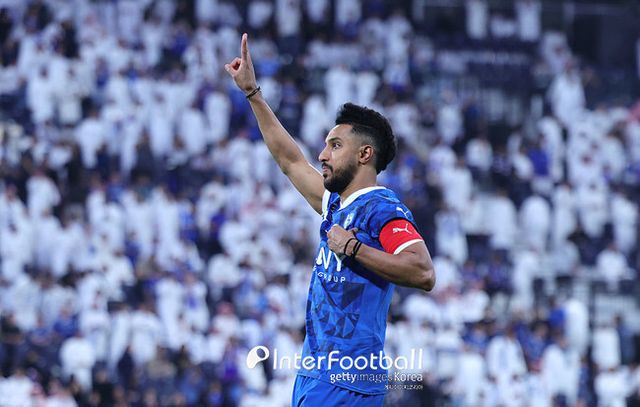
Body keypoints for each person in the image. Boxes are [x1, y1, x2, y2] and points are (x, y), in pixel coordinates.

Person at [225, 34, 436, 406]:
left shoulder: (381, 208)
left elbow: (422, 272)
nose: (323, 155)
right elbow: (290, 161)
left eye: (335, 146)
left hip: (347, 381)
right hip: (316, 374)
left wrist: (353, 248)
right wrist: (253, 94)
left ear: (365, 154)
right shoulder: (337, 205)